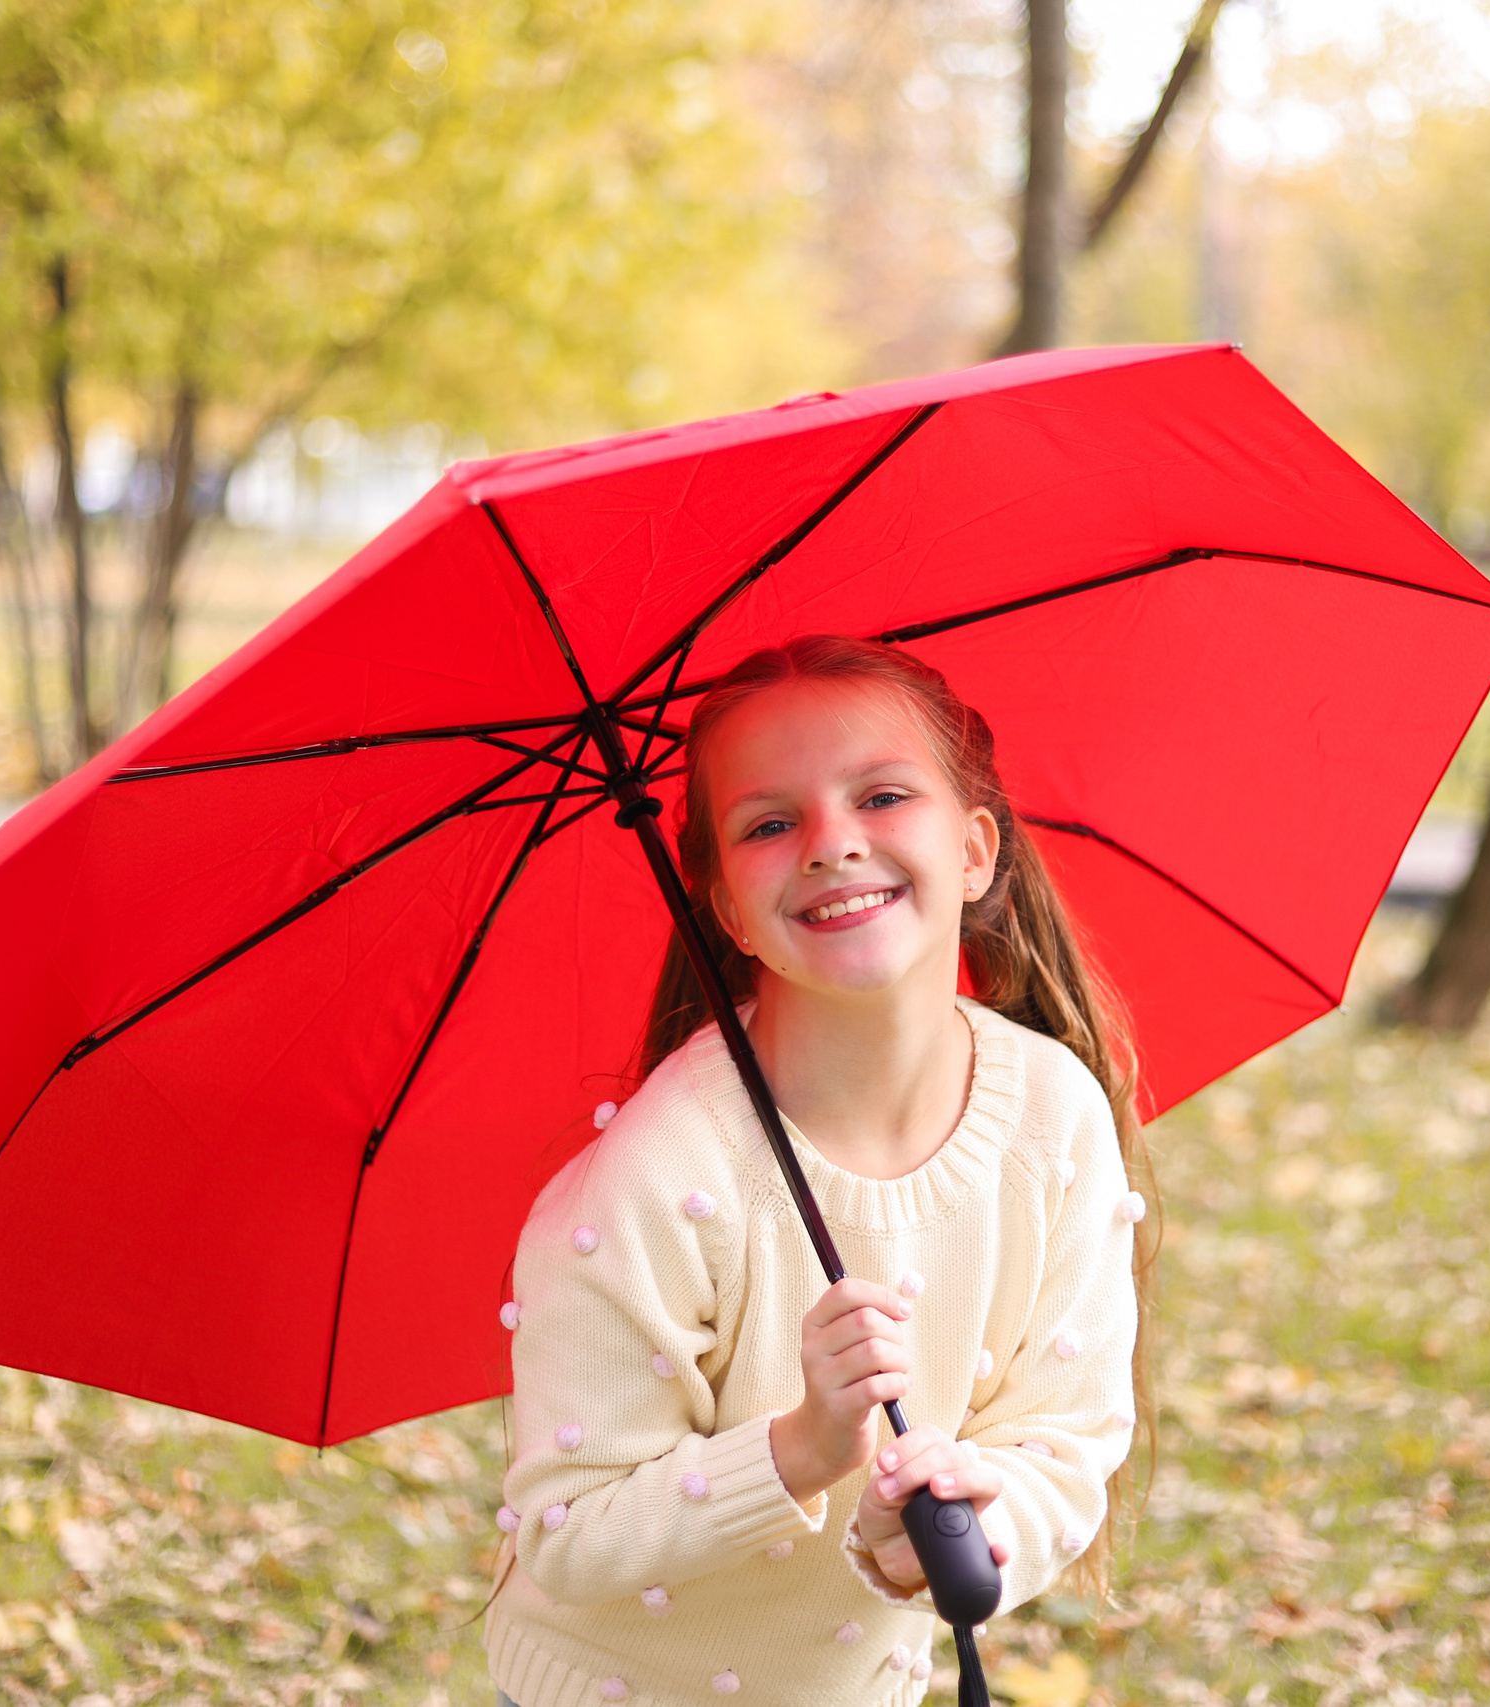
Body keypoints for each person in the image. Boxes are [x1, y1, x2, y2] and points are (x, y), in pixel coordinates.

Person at [486, 637, 1153, 1707]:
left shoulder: (1051, 1114)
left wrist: (949, 1529)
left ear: (978, 850)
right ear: (727, 910)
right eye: (768, 823)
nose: (833, 844)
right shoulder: (660, 1177)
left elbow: (1064, 1435)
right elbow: (568, 1531)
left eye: (882, 795)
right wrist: (798, 1447)